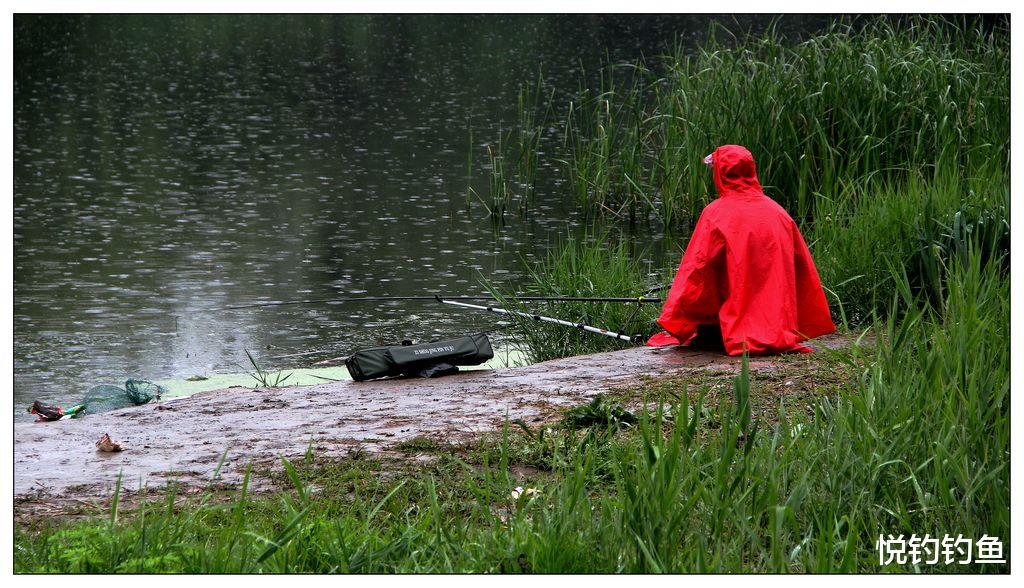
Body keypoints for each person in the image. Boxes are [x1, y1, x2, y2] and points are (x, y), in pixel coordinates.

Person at [647, 144, 835, 355]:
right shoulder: (778, 213)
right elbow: (803, 272)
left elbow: (696, 273)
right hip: (780, 326)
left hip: (734, 331)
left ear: (722, 174)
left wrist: (676, 317)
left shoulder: (715, 214)